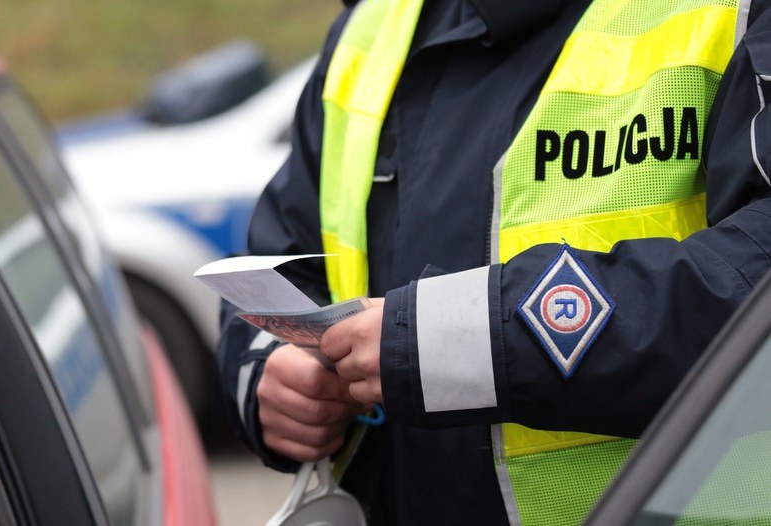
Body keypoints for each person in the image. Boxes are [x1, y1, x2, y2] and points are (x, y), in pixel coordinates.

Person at [217, 0, 771, 524]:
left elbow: (754, 278)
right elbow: (282, 257)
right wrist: (269, 377)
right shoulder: (376, 22)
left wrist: (464, 336)